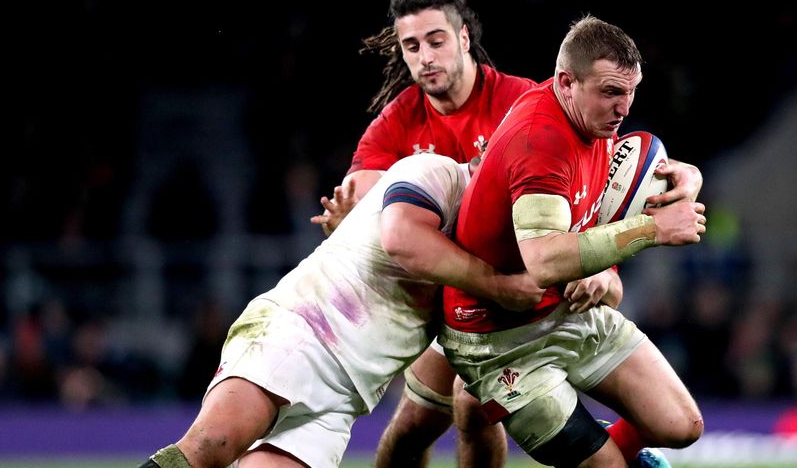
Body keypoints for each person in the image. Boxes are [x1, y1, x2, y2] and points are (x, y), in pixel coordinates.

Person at [312, 0, 704, 467]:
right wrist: (350, 225)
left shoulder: (523, 98)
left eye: (435, 40)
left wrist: (683, 176)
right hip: (457, 295)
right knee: (417, 423)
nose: (425, 57)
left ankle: (597, 448)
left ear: (463, 38)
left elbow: (604, 180)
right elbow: (365, 204)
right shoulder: (398, 123)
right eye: (412, 46)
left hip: (536, 286)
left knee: (473, 408)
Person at [139, 153, 544, 468]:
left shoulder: (498, 245)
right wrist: (500, 287)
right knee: (210, 446)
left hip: (346, 397)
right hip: (301, 336)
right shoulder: (434, 173)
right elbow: (402, 240)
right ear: (484, 158)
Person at [440, 15, 707, 467]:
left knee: (682, 426)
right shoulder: (541, 141)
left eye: (630, 92)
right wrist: (652, 230)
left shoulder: (591, 120)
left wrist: (690, 176)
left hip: (566, 310)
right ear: (567, 82)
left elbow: (625, 182)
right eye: (611, 92)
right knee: (607, 465)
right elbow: (544, 261)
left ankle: (589, 447)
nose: (623, 108)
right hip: (498, 338)